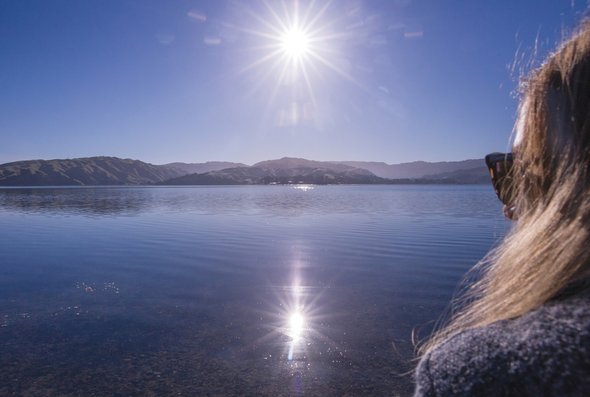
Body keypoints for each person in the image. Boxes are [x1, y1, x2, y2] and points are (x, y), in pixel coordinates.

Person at [414, 20, 590, 396]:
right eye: (502, 177)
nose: (509, 211)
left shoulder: (479, 373)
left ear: (573, 182)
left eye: (523, 174)